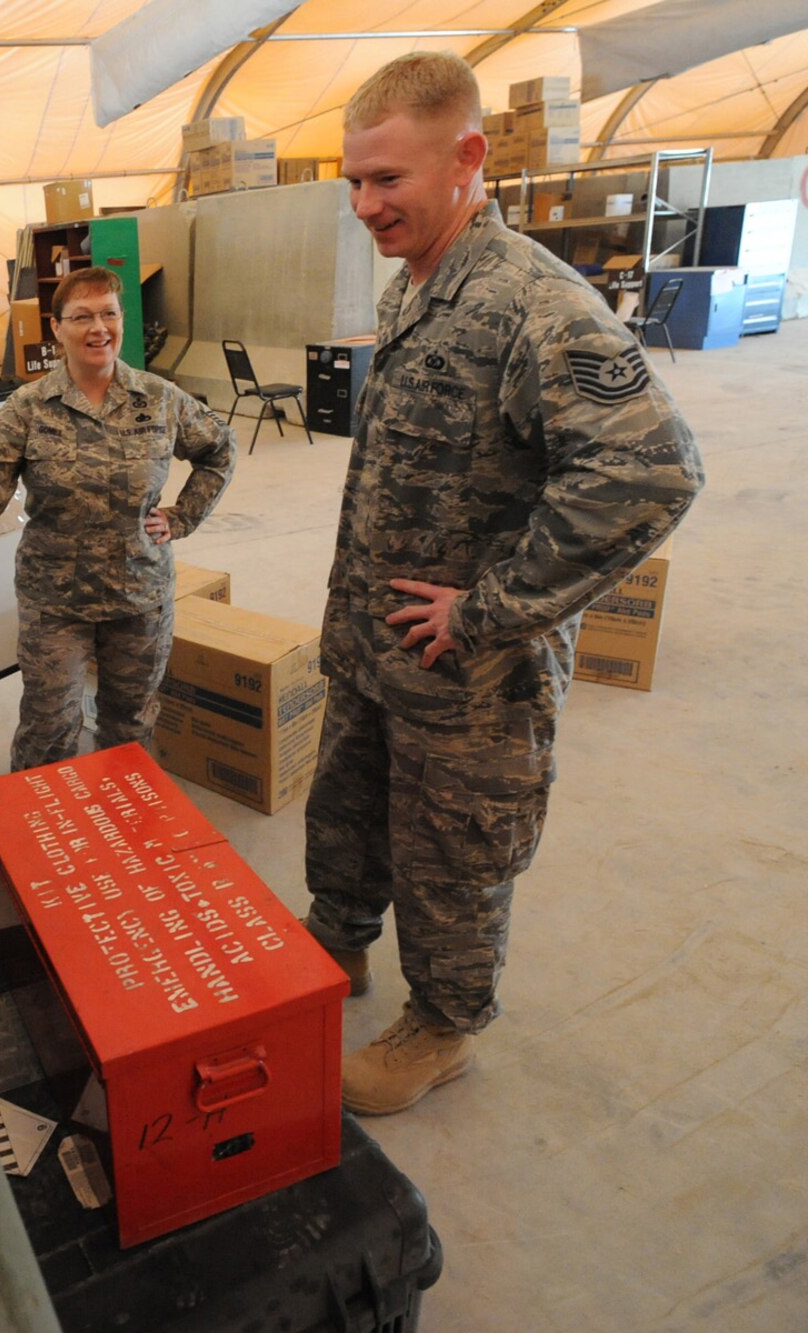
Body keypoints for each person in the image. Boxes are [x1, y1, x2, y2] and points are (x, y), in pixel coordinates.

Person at [306, 51, 703, 1115]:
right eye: (353, 180)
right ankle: (332, 947)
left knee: (448, 857)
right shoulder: (416, 287)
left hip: (465, 679)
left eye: (386, 179)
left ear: (467, 156)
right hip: (373, 652)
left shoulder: (532, 300)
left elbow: (647, 470)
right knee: (345, 819)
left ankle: (438, 1027)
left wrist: (487, 609)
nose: (363, 204)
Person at [0, 266, 236, 773]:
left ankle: (118, 821)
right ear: (57, 329)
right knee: (50, 723)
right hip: (56, 599)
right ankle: (36, 828)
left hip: (139, 593)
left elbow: (220, 450)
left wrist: (183, 516)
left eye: (109, 314)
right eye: (81, 317)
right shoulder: (30, 406)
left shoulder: (160, 399)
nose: (98, 328)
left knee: (131, 723)